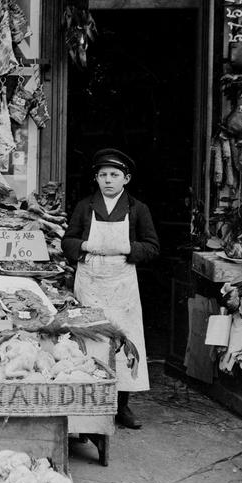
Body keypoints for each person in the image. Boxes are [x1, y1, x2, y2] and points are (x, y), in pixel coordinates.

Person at [61, 148, 159, 429]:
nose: (108, 180)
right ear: (96, 178)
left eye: (114, 175)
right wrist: (84, 246)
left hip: (122, 286)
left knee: (125, 341)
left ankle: (122, 406)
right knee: (90, 340)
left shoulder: (138, 209)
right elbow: (67, 241)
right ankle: (86, 404)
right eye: (103, 175)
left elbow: (152, 246)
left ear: (126, 179)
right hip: (90, 282)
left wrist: (128, 248)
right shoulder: (85, 207)